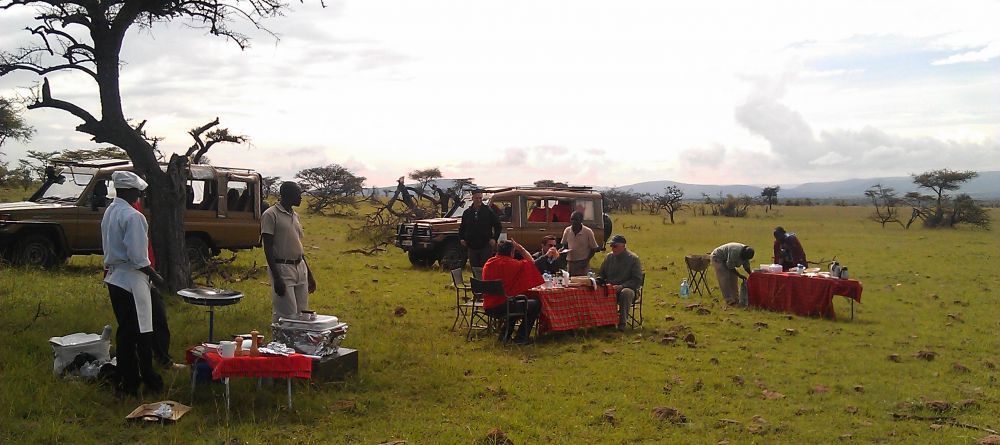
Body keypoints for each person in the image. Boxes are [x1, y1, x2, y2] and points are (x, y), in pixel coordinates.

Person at [101, 171, 165, 397]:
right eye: (137, 190)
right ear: (129, 191)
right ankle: (142, 379)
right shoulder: (133, 216)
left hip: (115, 277)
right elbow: (138, 258)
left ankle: (128, 379)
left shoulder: (110, 211)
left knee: (126, 332)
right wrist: (157, 277)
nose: (139, 194)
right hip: (131, 280)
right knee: (140, 333)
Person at [261, 181, 317, 323]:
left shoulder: (295, 215)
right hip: (282, 268)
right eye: (298, 194)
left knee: (302, 314)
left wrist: (309, 274)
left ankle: (297, 344)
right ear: (288, 195)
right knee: (286, 314)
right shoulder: (271, 214)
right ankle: (279, 343)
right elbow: (267, 246)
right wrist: (277, 277)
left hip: (300, 267)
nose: (301, 198)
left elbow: (298, 246)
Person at [482, 240, 544, 344]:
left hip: (488, 306)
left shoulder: (489, 263)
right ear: (512, 252)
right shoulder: (514, 265)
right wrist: (521, 249)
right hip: (504, 306)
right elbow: (532, 262)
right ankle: (521, 337)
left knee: (516, 303)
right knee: (536, 304)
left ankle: (504, 336)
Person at [598, 234, 643, 331]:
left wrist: (622, 286)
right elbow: (601, 275)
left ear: (623, 246)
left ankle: (622, 324)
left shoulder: (633, 259)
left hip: (629, 290)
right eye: (611, 246)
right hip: (610, 289)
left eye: (615, 246)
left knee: (626, 293)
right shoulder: (608, 258)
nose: (612, 248)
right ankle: (604, 321)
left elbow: (637, 280)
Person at [458, 190, 502, 268]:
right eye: (476, 198)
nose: (478, 200)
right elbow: (462, 227)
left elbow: (498, 226)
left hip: (485, 245)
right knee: (474, 269)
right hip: (471, 246)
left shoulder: (488, 211)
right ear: (472, 198)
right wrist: (461, 238)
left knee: (485, 269)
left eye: (480, 198)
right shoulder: (467, 213)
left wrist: (494, 239)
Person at [560, 211, 600, 276]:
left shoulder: (588, 232)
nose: (573, 222)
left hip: (582, 262)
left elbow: (594, 248)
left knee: (582, 282)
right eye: (572, 219)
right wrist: (561, 251)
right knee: (570, 282)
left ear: (581, 220)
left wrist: (586, 261)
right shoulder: (567, 230)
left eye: (576, 220)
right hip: (571, 262)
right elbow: (565, 245)